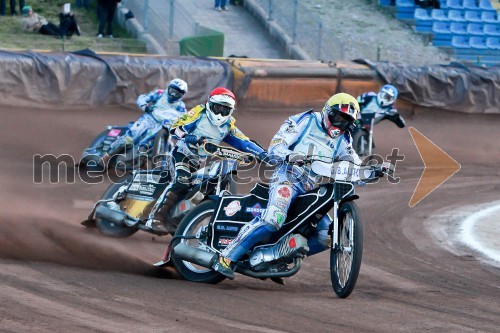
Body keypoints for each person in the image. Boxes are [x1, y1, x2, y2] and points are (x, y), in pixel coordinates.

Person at [212, 93, 363, 279]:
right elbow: (277, 144)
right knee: (273, 219)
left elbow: (354, 164)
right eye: (338, 117)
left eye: (346, 121)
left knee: (325, 236)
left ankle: (275, 259)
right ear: (327, 111)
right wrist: (289, 155)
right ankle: (226, 257)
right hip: (287, 178)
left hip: (310, 189)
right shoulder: (305, 120)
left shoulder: (344, 139)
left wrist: (371, 171)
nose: (340, 124)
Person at [144, 87, 267, 234]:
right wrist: (186, 135)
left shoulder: (228, 125)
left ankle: (180, 219)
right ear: (209, 104)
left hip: (199, 162)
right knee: (181, 181)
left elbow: (244, 142)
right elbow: (175, 128)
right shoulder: (198, 113)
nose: (221, 113)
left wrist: (262, 154)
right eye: (218, 108)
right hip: (181, 154)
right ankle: (155, 217)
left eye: (225, 110)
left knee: (202, 187)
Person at [103, 78, 189, 162]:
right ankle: (106, 156)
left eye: (177, 93)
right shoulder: (160, 93)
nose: (173, 95)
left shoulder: (181, 106)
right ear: (168, 88)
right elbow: (142, 98)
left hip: (162, 126)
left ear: (182, 95)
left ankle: (143, 162)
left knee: (149, 144)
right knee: (131, 137)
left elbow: (185, 119)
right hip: (148, 119)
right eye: (172, 91)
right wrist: (144, 106)